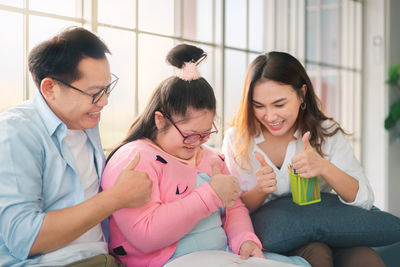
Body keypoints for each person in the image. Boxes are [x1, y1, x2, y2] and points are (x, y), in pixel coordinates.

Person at [101, 44, 310, 267]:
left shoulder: (211, 158)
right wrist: (210, 194)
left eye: (206, 133)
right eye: (190, 135)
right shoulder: (134, 159)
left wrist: (245, 241)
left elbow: (234, 208)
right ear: (160, 120)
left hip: (223, 255)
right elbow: (145, 235)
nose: (198, 143)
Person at [0, 26, 152, 266]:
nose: (104, 101)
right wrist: (117, 197)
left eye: (106, 88)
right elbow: (24, 238)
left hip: (106, 256)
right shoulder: (16, 132)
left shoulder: (85, 121)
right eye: (94, 93)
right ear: (50, 88)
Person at [221, 51, 386, 267]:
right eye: (259, 106)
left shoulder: (327, 133)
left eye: (279, 104)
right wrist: (261, 189)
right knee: (317, 253)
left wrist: (324, 167)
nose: (270, 116)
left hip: (329, 228)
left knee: (366, 260)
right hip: (274, 236)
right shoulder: (238, 139)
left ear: (302, 94)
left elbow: (364, 199)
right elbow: (230, 210)